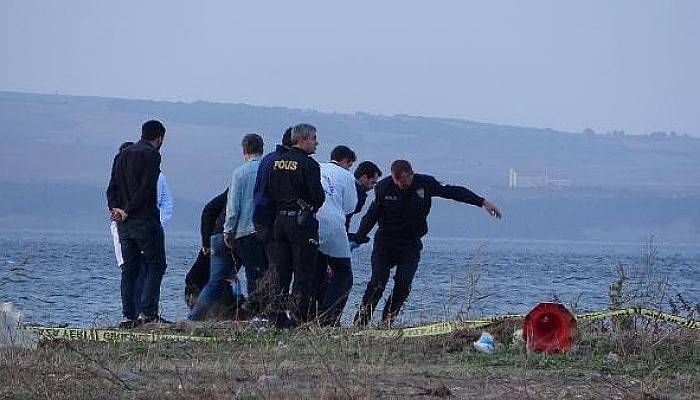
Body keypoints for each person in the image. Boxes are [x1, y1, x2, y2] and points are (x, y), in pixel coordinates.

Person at [352, 159, 502, 327]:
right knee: (378, 282)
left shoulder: (425, 183)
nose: (401, 185)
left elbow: (452, 192)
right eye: (397, 182)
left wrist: (481, 202)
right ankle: (360, 323)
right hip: (386, 242)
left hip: (410, 243)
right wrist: (359, 237)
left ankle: (387, 322)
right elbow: (372, 215)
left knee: (403, 283)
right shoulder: (384, 187)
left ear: (411, 175)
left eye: (404, 182)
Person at [106, 120, 169, 328]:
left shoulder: (122, 155)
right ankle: (148, 313)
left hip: (123, 224)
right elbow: (146, 188)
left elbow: (111, 188)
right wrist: (128, 210)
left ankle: (129, 315)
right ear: (159, 138)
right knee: (156, 264)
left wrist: (115, 209)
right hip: (144, 219)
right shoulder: (152, 155)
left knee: (129, 269)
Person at [267, 123, 325, 325]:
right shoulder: (309, 165)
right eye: (313, 138)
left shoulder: (277, 162)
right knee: (303, 272)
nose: (316, 143)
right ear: (303, 139)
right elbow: (318, 197)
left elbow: (270, 191)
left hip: (279, 221)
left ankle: (276, 318)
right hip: (301, 222)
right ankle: (297, 319)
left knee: (280, 272)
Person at [223, 134, 268, 315]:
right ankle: (268, 311)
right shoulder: (269, 169)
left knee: (253, 275)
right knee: (268, 273)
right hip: (267, 230)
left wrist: (228, 230)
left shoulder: (240, 173)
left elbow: (233, 206)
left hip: (245, 231)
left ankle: (255, 313)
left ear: (244, 151)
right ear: (262, 149)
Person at [316, 146, 358, 326]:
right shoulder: (346, 176)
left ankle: (310, 314)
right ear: (346, 161)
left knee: (314, 272)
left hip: (308, 224)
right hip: (332, 225)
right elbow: (350, 206)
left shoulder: (316, 167)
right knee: (343, 274)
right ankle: (329, 318)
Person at [188, 189, 246, 320]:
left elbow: (208, 210)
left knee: (221, 281)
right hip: (198, 286)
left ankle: (195, 318)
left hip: (205, 282)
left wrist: (207, 241)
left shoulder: (235, 188)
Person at [345, 161, 382, 234]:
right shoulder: (356, 194)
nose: (373, 187)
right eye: (373, 182)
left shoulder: (346, 185)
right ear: (364, 177)